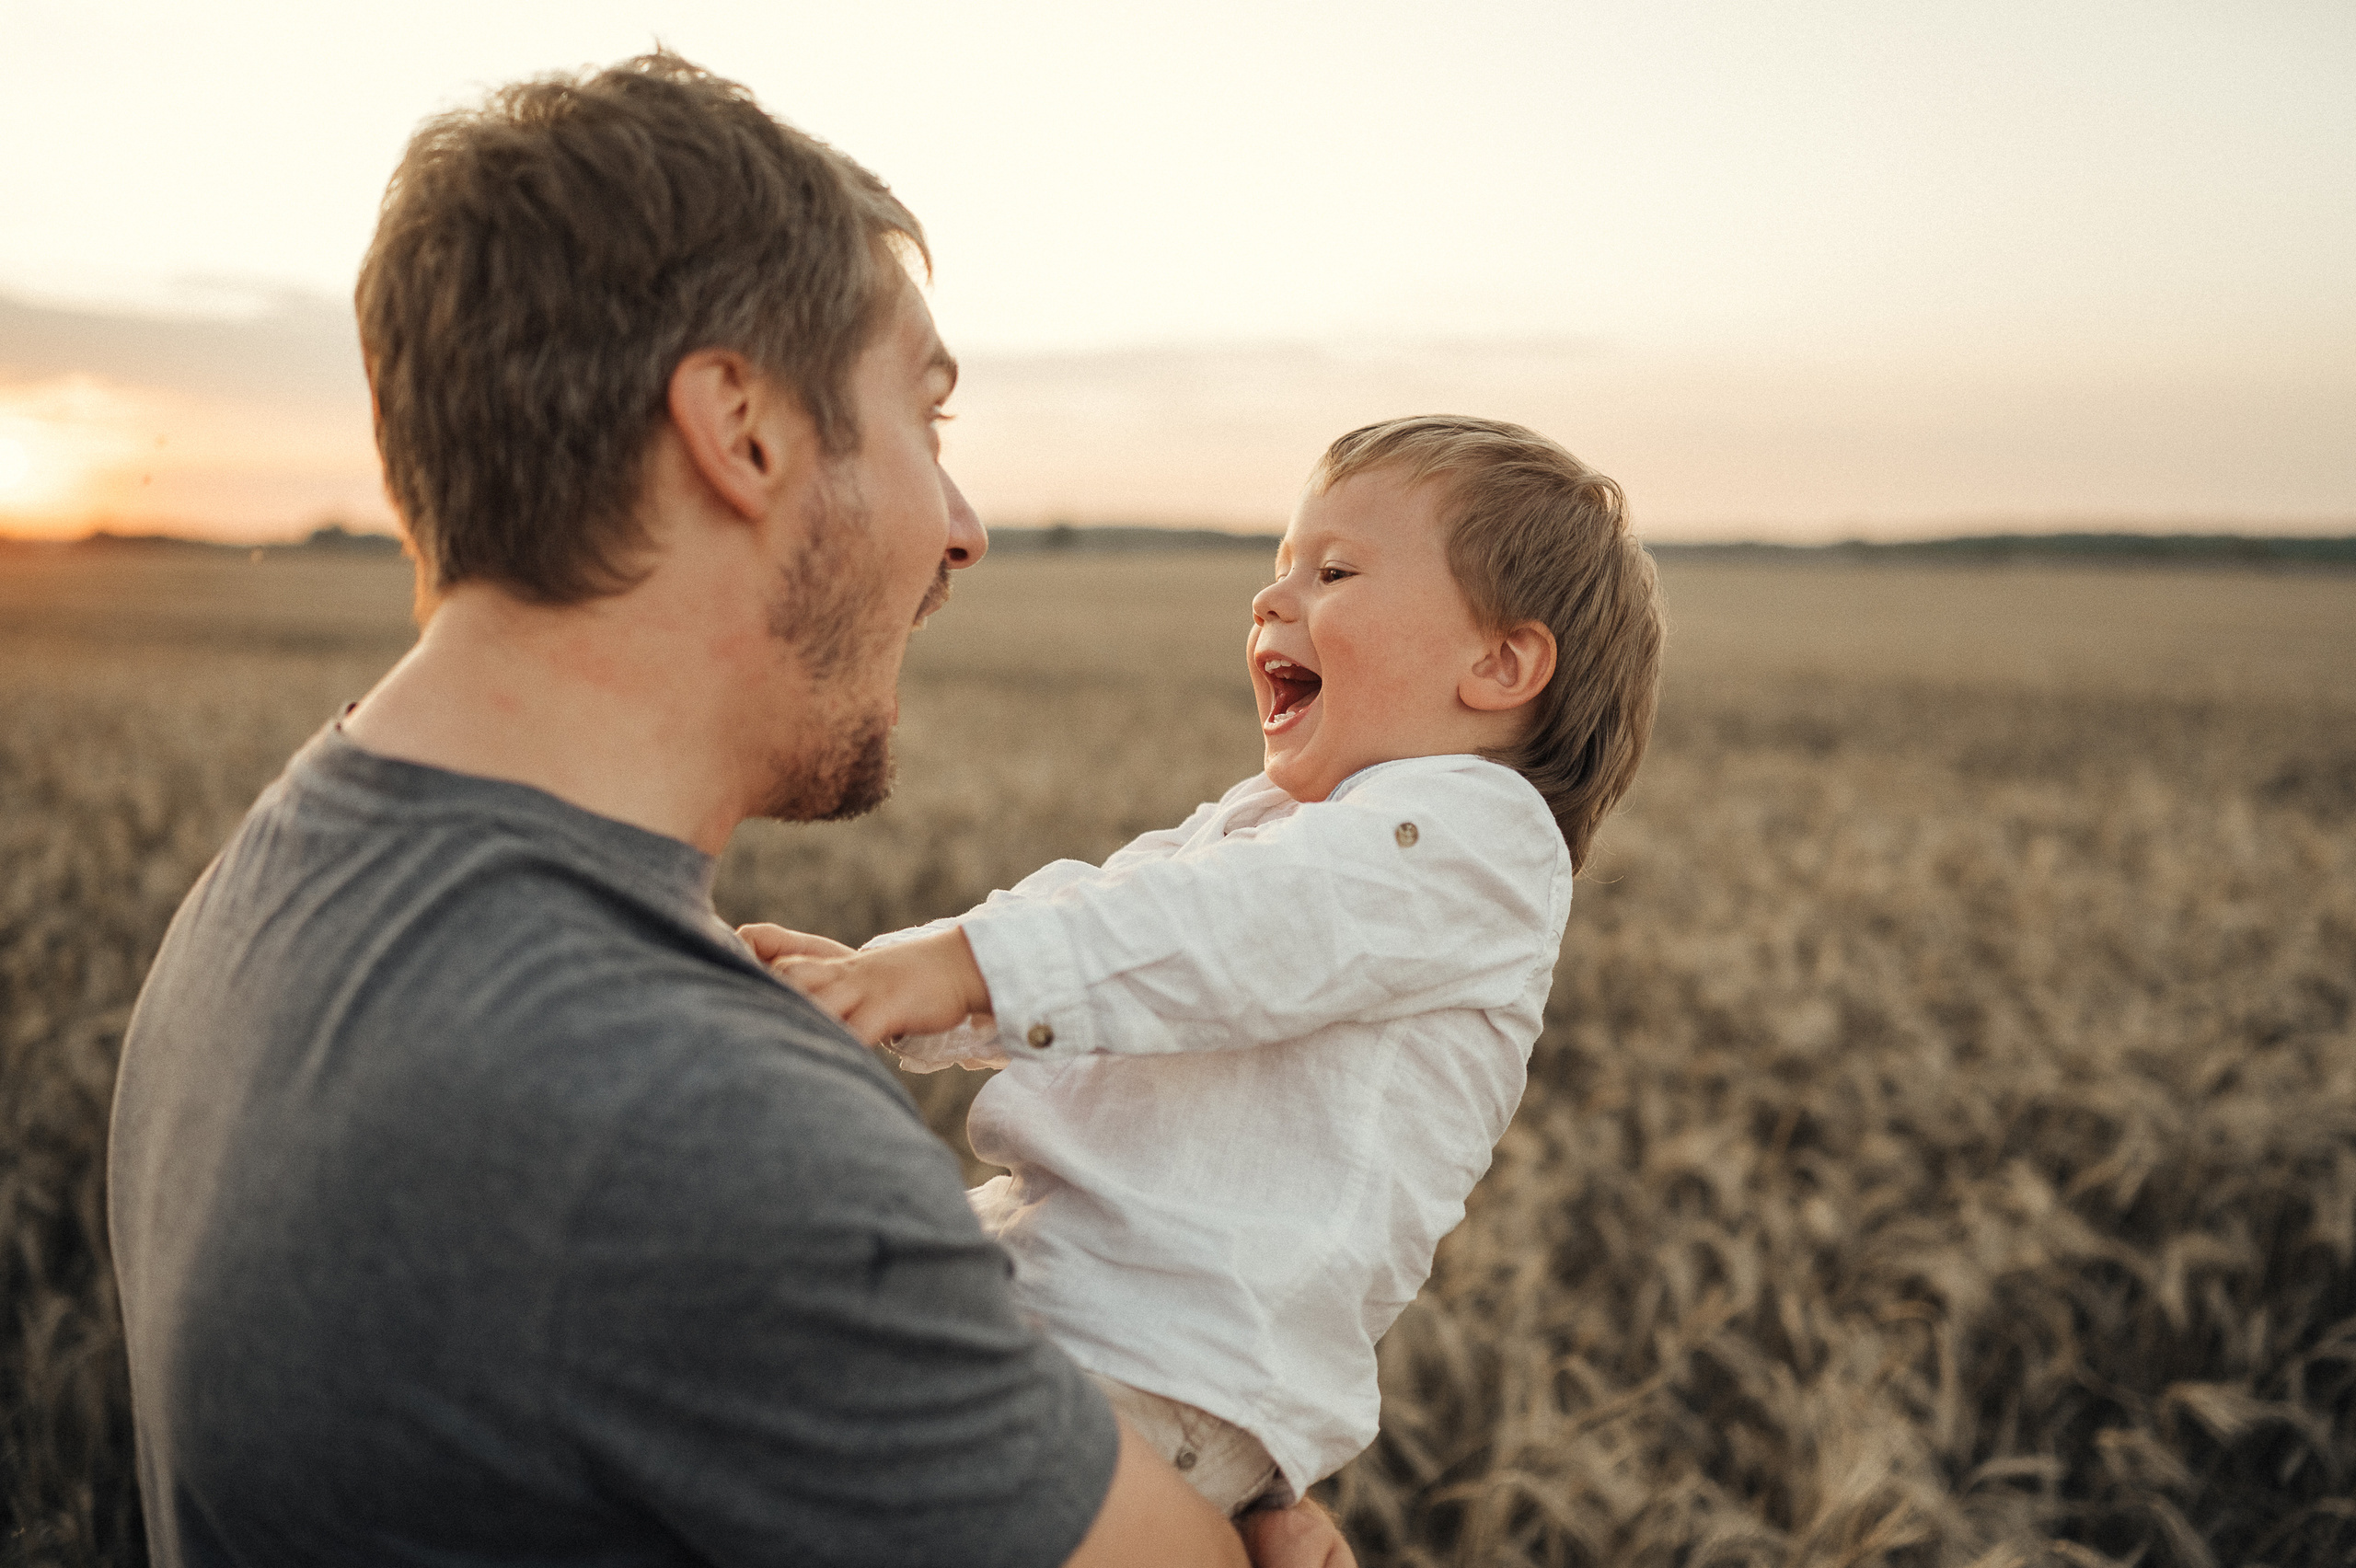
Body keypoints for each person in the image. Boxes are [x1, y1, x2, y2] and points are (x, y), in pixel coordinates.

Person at [108, 52, 1350, 1568]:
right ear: (742, 428)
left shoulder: (287, 871)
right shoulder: (692, 1116)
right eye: (927, 417)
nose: (961, 530)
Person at [747, 415, 1666, 1513]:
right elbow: (1108, 906)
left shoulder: (1481, 839)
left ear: (1500, 662)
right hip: (1062, 1307)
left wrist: (947, 968)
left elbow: (1215, 930)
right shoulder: (1276, 820)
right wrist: (889, 980)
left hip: (1155, 1362)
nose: (1270, 601)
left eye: (1332, 571)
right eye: (1280, 569)